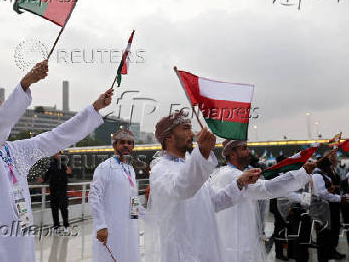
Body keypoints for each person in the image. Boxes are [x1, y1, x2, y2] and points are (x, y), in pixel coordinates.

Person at [0, 60, 113, 262]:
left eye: (4, 110)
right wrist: (25, 84)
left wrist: (94, 109)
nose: (4, 116)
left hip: (18, 237)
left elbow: (55, 137)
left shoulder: (16, 150)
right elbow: (0, 124)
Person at [145, 111, 262, 262]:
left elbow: (215, 201)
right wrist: (202, 152)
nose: (192, 134)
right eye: (185, 128)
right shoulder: (160, 170)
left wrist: (239, 183)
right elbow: (181, 188)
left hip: (208, 249)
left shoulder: (191, 166)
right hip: (183, 253)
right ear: (168, 137)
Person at [210, 139, 316, 262]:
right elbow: (266, 188)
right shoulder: (232, 175)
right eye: (244, 148)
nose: (249, 151)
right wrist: (302, 173)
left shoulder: (228, 173)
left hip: (236, 237)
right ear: (232, 154)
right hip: (236, 242)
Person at [89, 128, 143, 262]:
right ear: (114, 145)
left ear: (133, 147)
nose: (126, 145)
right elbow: (94, 196)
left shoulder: (130, 169)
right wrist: (101, 225)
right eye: (122, 142)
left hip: (128, 229)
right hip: (111, 228)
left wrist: (136, 220)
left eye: (129, 143)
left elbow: (133, 198)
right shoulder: (105, 167)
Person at [312, 152, 347, 261]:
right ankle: (324, 256)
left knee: (332, 231)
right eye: (332, 159)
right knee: (324, 234)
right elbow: (322, 193)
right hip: (323, 208)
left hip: (329, 205)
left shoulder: (324, 173)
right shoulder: (318, 175)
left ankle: (329, 252)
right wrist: (337, 196)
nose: (334, 161)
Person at [39, 151, 72, 234]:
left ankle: (66, 226)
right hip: (53, 190)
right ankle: (56, 227)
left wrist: (68, 171)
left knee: (64, 208)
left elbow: (70, 172)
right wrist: (42, 180)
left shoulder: (65, 161)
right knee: (54, 209)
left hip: (62, 190)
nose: (55, 154)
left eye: (57, 153)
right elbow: (47, 175)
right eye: (54, 153)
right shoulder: (51, 164)